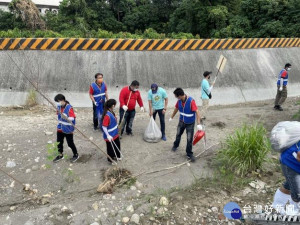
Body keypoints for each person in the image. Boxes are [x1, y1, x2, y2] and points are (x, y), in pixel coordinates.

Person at [169, 88, 202, 162]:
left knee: (189, 139)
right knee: (178, 134)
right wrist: (171, 117)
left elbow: (197, 112)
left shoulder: (191, 101)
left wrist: (198, 123)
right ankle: (175, 145)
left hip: (190, 123)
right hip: (181, 121)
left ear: (180, 95)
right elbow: (176, 108)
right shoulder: (179, 101)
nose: (176, 98)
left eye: (176, 96)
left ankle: (189, 154)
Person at [272, 141, 300, 215]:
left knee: (289, 185)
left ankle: (277, 207)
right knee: (297, 193)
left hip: (293, 161)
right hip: (291, 163)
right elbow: (299, 156)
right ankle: (293, 214)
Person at [53, 94, 79, 163]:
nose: (59, 103)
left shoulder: (69, 107)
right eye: (57, 101)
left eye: (59, 101)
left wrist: (66, 117)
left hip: (68, 128)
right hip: (60, 127)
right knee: (59, 142)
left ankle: (76, 154)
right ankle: (60, 155)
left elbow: (72, 118)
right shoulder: (58, 107)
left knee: (70, 143)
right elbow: (58, 115)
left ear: (63, 100)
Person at [102, 99, 121, 163]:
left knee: (117, 145)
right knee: (110, 148)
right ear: (112, 106)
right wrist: (108, 135)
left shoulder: (111, 112)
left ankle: (118, 156)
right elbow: (104, 127)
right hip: (110, 135)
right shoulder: (107, 115)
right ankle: (111, 159)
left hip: (115, 133)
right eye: (115, 105)